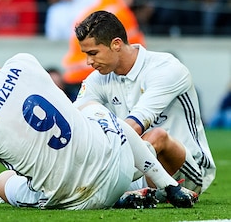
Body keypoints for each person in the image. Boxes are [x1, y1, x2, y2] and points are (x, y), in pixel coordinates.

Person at [0, 53, 197, 209]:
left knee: (4, 181)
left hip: (80, 201)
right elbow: (6, 74)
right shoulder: (23, 63)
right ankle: (168, 185)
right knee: (91, 110)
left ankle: (127, 197)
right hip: (117, 165)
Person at [72, 10, 216, 197]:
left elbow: (134, 127)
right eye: (85, 54)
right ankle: (120, 193)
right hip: (139, 169)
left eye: (93, 53)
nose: (88, 62)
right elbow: (75, 121)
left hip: (188, 169)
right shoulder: (97, 79)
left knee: (156, 136)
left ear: (116, 44)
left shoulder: (166, 68)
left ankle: (102, 187)